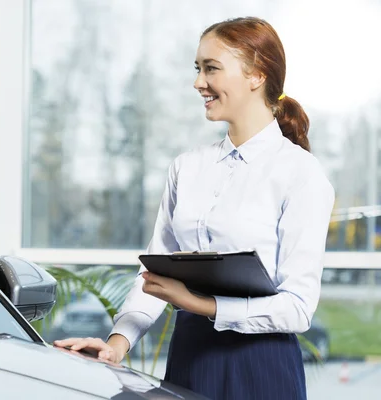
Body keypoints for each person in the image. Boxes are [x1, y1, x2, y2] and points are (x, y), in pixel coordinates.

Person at [54, 16, 335, 400]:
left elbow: (299, 308)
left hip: (261, 367)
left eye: (211, 68)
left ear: (256, 74)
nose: (198, 82)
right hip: (188, 358)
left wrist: (199, 303)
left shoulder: (300, 173)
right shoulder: (187, 167)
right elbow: (153, 272)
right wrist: (117, 343)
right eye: (198, 69)